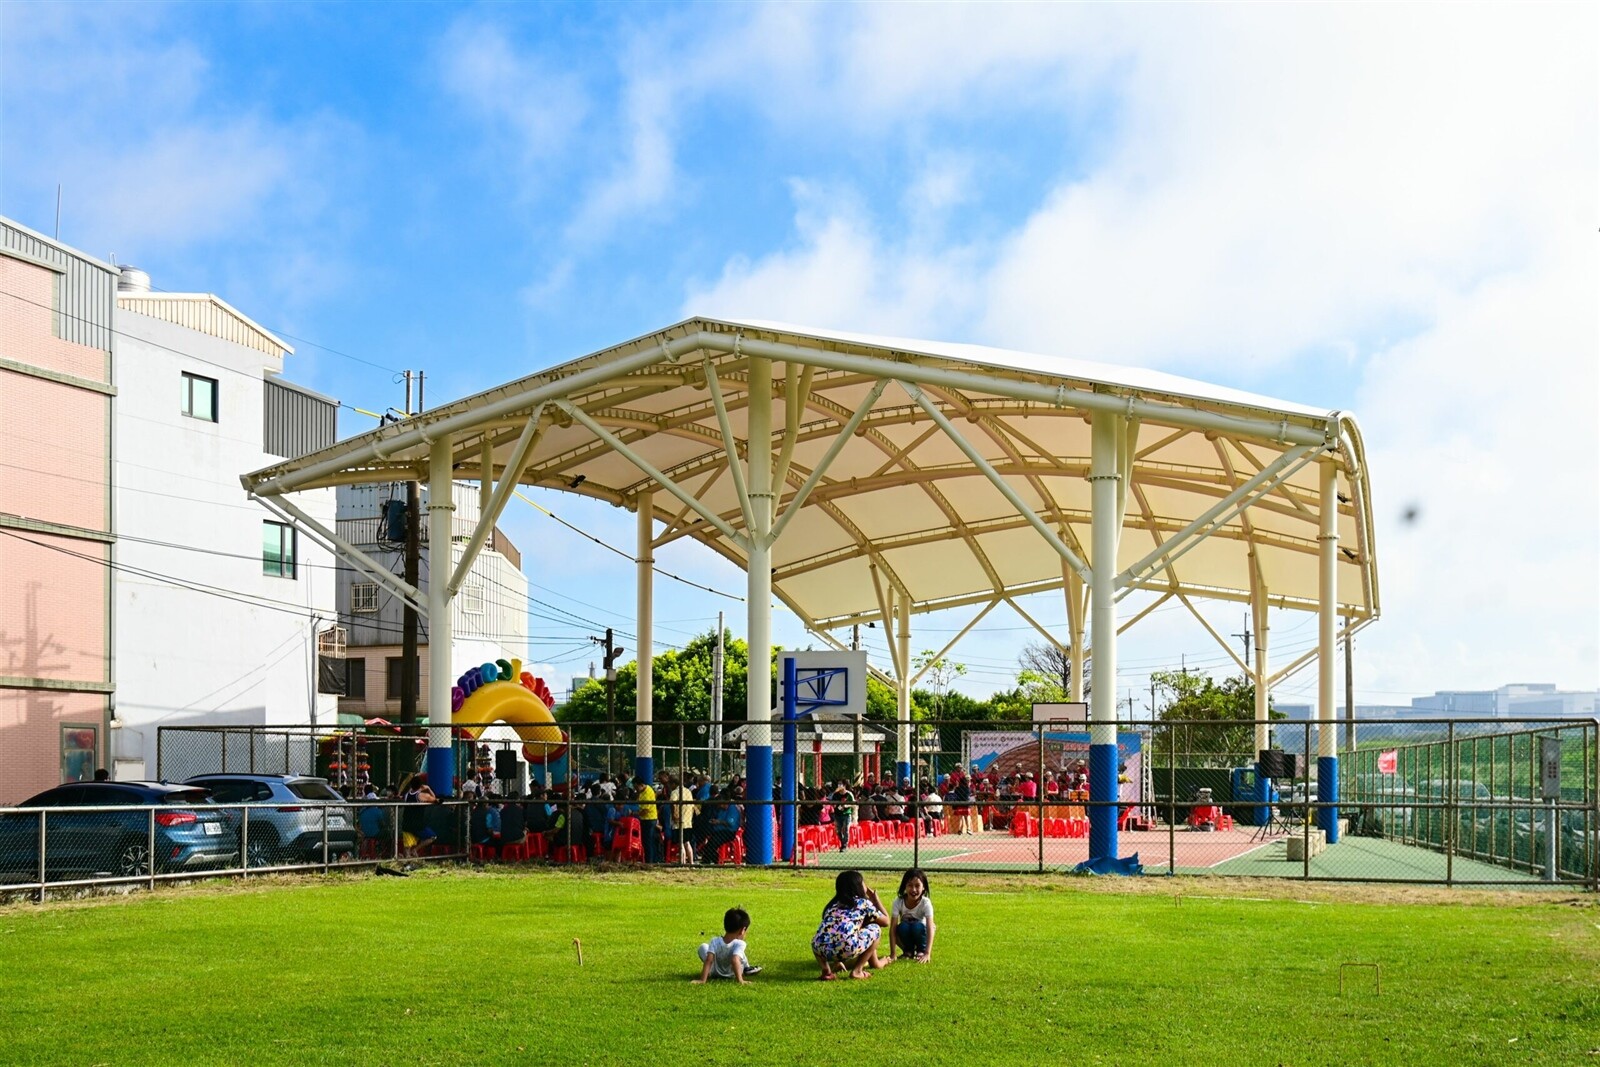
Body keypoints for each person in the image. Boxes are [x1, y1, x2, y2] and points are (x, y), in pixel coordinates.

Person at [811, 870, 892, 980]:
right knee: (876, 929)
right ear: (858, 886)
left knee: (828, 935)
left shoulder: (833, 905)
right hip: (847, 948)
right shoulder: (863, 903)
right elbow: (886, 921)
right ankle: (857, 971)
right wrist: (876, 900)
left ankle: (826, 971)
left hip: (820, 949)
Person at [692, 907, 762, 984]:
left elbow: (709, 960)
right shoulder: (740, 943)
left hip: (714, 972)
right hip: (732, 974)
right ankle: (747, 968)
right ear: (742, 930)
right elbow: (735, 960)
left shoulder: (714, 941)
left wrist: (702, 980)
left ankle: (708, 972)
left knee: (703, 946)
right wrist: (740, 980)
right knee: (740, 952)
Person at [889, 868, 936, 963]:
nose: (914, 889)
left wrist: (927, 953)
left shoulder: (925, 903)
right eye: (910, 885)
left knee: (917, 926)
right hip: (906, 933)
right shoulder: (898, 902)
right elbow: (892, 929)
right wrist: (893, 954)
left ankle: (920, 951)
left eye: (917, 886)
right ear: (904, 887)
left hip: (921, 933)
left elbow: (931, 927)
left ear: (924, 887)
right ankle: (908, 951)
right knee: (902, 927)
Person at [399, 774, 438, 857]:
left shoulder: (406, 795)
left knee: (407, 847)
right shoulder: (422, 795)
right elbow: (434, 799)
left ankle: (408, 861)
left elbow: (410, 791)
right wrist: (428, 789)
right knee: (432, 836)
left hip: (407, 823)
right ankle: (415, 849)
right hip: (418, 824)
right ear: (421, 785)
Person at [634, 774, 661, 863]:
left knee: (648, 841)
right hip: (646, 819)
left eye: (636, 787)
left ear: (641, 785)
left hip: (649, 819)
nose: (636, 790)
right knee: (648, 841)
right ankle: (651, 859)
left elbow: (645, 810)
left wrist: (635, 813)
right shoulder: (644, 790)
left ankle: (650, 861)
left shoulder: (647, 793)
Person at [830, 781, 855, 852]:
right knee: (838, 831)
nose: (839, 786)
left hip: (846, 814)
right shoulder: (835, 794)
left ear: (844, 786)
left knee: (846, 829)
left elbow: (853, 804)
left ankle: (844, 845)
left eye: (841, 784)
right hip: (837, 814)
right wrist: (835, 806)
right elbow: (832, 803)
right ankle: (843, 842)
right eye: (838, 784)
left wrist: (847, 805)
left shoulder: (849, 794)